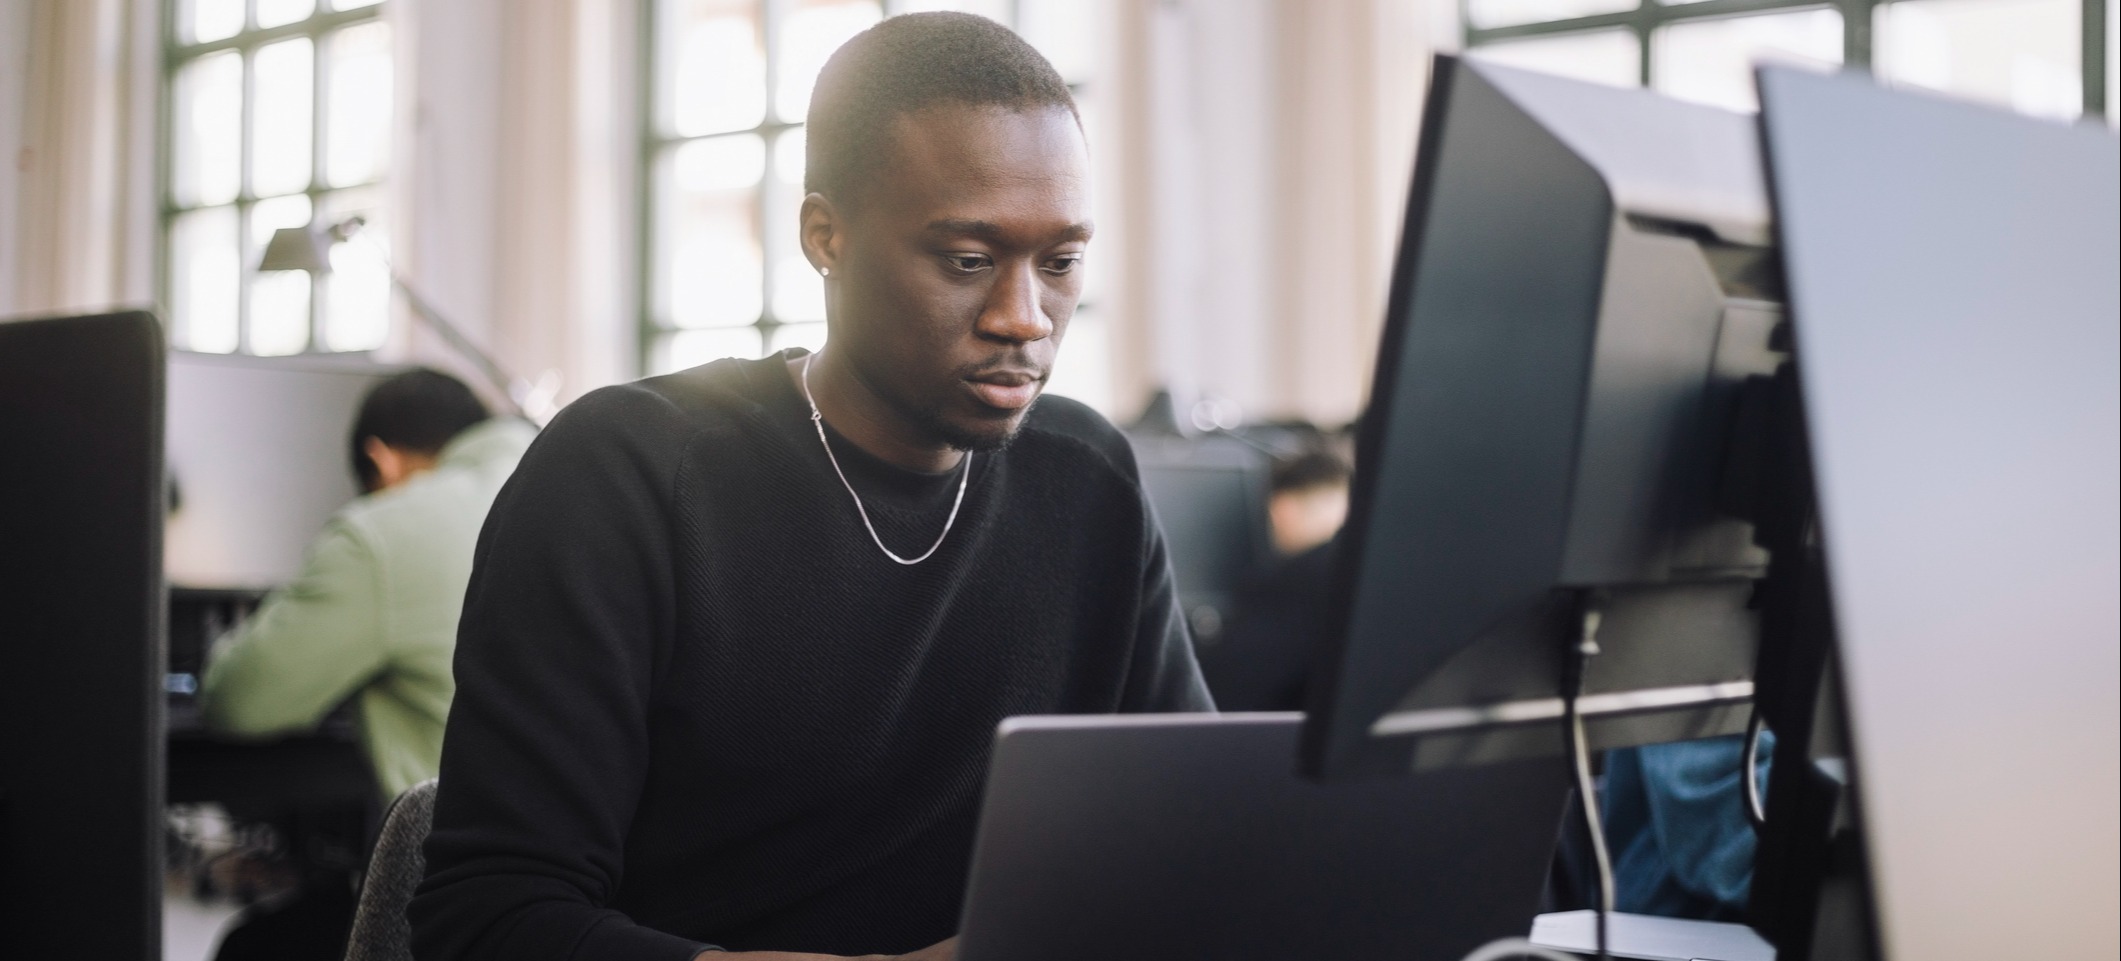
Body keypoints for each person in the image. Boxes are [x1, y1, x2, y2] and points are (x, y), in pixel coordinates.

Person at [410, 14, 1213, 961]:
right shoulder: (628, 474)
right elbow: (489, 920)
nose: (1022, 317)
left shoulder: (1087, 481)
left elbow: (1197, 833)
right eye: (966, 261)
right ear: (825, 236)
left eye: (1061, 262)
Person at [199, 367, 535, 801]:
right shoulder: (577, 488)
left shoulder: (382, 533)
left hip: (470, 854)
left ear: (383, 460)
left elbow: (238, 702)